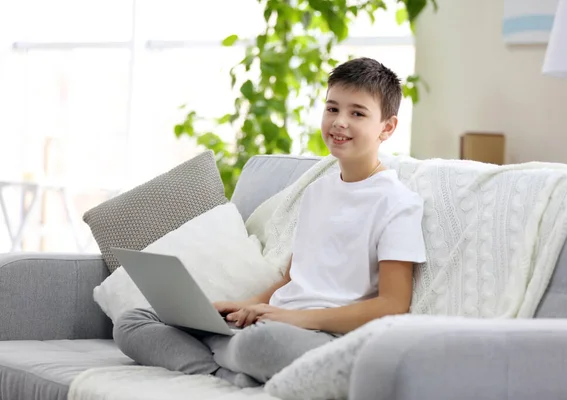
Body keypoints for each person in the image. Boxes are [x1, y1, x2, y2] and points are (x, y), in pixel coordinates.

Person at [113, 57, 427, 388]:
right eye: (332, 109)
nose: (339, 122)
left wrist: (294, 319)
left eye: (357, 113)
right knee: (133, 320)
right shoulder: (317, 191)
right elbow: (294, 279)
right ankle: (225, 371)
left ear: (387, 128)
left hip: (323, 337)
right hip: (275, 323)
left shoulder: (398, 202)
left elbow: (392, 306)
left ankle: (221, 356)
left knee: (261, 345)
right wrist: (246, 305)